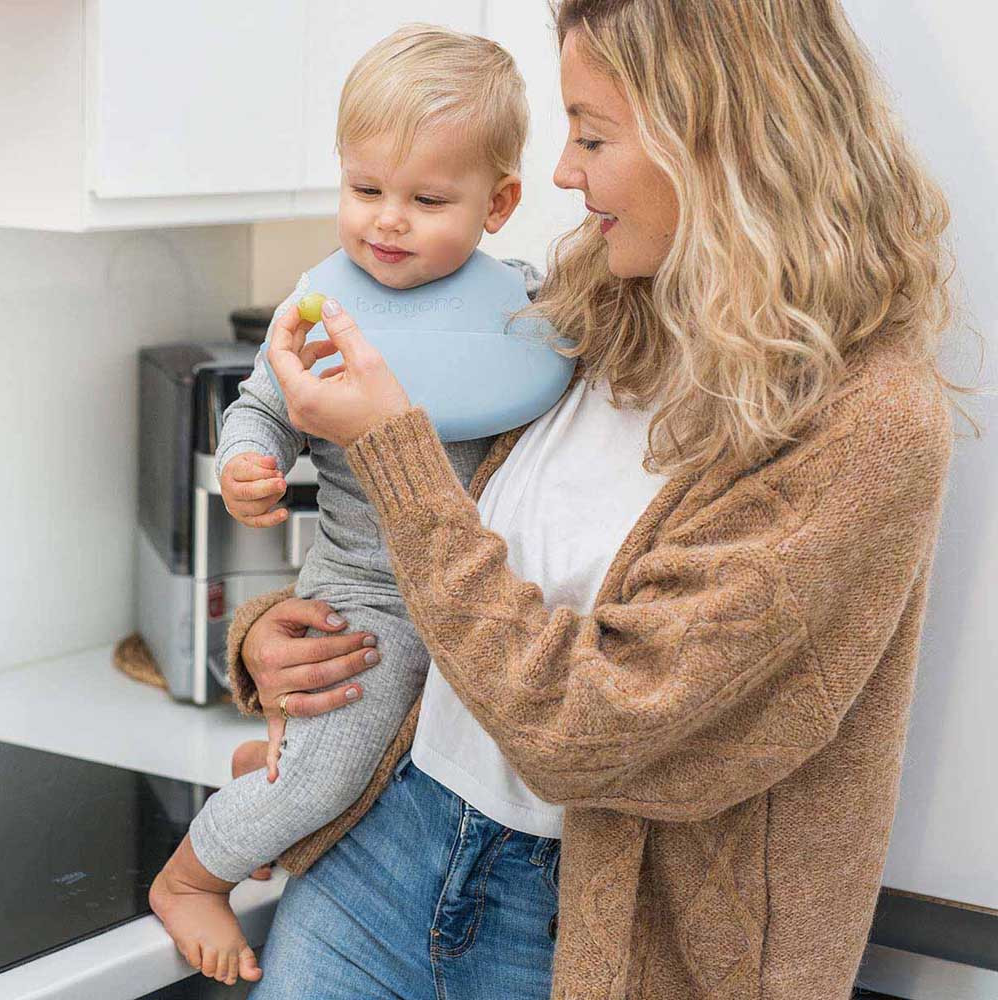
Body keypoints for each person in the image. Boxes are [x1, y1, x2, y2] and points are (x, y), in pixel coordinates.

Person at [220, 1, 979, 998]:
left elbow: (586, 727)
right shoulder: (594, 301)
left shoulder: (865, 423)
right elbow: (459, 548)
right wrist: (282, 640)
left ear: (712, 138)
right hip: (382, 849)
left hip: (588, 932)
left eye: (590, 135)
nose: (563, 173)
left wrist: (391, 451)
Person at [148, 23, 552, 987]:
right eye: (366, 190)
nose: (389, 222)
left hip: (480, 607)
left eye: (428, 200)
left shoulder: (528, 309)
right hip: (365, 598)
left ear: (499, 204)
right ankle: (191, 877)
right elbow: (260, 406)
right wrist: (248, 463)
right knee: (329, 773)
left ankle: (289, 781)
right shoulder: (322, 310)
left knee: (367, 766)